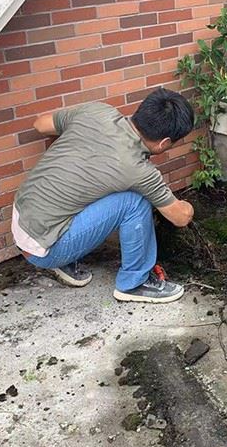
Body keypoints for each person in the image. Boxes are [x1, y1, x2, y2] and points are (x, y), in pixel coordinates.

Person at [11, 87, 195, 304]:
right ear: (164, 142)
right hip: (45, 249)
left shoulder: (97, 112)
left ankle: (63, 257)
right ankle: (134, 283)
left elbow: (40, 124)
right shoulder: (138, 170)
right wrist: (188, 207)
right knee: (135, 201)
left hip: (21, 218)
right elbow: (180, 218)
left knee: (107, 187)